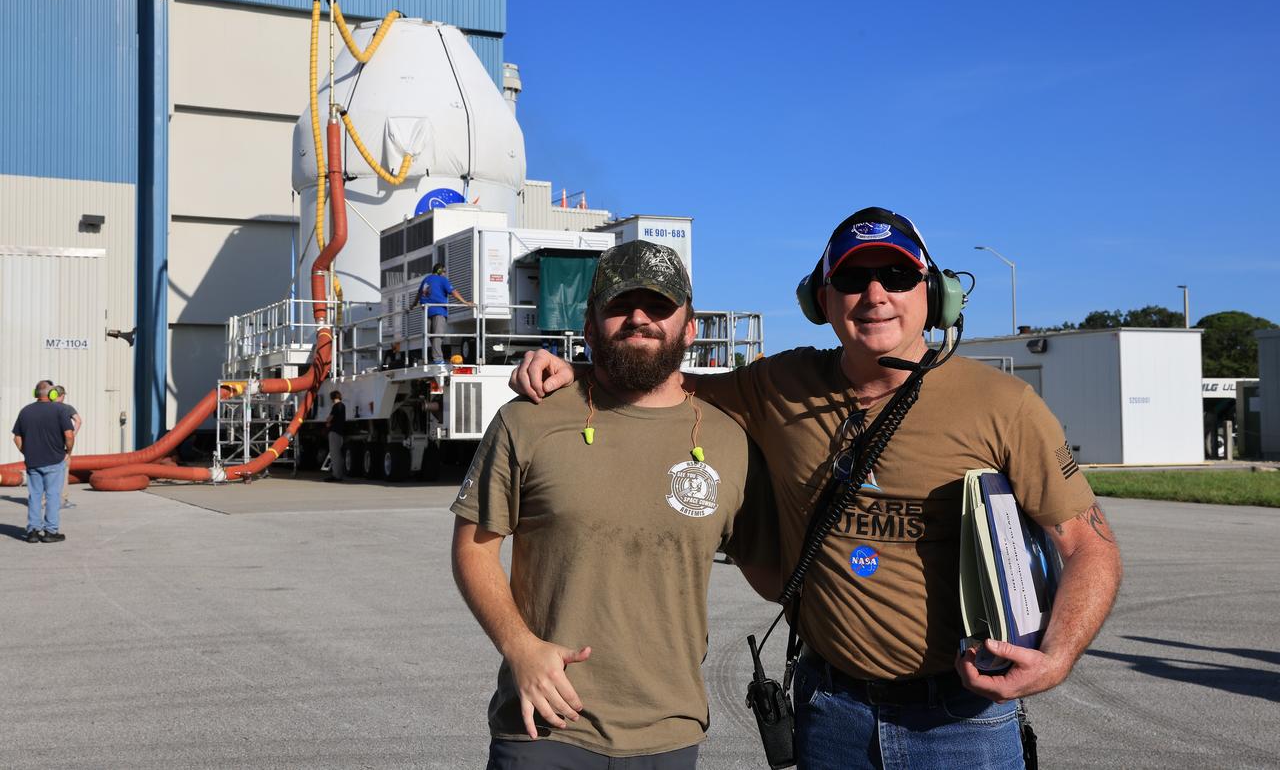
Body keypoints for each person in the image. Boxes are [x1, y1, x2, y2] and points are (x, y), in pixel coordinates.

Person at [511, 208, 1123, 769]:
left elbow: (1087, 546)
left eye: (896, 276)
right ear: (822, 300)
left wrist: (1059, 655)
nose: (876, 295)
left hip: (963, 720)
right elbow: (668, 383)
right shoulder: (779, 385)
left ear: (933, 296)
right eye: (855, 280)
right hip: (832, 712)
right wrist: (580, 369)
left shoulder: (1004, 405)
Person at [452, 240, 778, 769]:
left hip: (669, 733)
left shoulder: (729, 441)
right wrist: (520, 648)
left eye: (658, 307)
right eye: (620, 306)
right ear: (588, 325)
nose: (639, 319)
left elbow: (774, 574)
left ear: (690, 328)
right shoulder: (529, 419)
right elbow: (474, 549)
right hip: (543, 729)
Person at [12, 380, 76, 543]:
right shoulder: (60, 409)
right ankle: (50, 532)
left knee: (34, 496)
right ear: (52, 394)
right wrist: (68, 452)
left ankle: (33, 531)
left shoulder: (25, 411)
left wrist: (26, 452)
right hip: (54, 460)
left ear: (36, 394)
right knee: (53, 496)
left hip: (33, 462)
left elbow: (17, 437)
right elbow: (69, 435)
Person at [417, 262, 473, 364]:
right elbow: (453, 292)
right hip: (439, 311)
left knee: (431, 336)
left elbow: (419, 294)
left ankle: (436, 358)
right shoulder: (442, 280)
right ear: (440, 271)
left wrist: (412, 306)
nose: (445, 274)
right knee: (437, 336)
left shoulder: (426, 280)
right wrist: (465, 302)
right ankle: (438, 359)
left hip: (427, 312)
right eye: (444, 271)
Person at [53, 384, 82, 509]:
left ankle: (43, 501)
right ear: (62, 395)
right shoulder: (67, 408)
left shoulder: (47, 408)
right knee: (63, 473)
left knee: (46, 474)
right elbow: (79, 421)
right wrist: (72, 435)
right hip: (62, 445)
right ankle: (62, 500)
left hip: (48, 445)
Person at [324, 390, 347, 482]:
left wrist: (327, 422)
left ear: (332, 398)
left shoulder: (336, 406)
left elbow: (329, 418)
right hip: (340, 432)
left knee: (334, 454)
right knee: (339, 454)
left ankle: (336, 475)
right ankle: (339, 474)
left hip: (334, 432)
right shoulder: (343, 406)